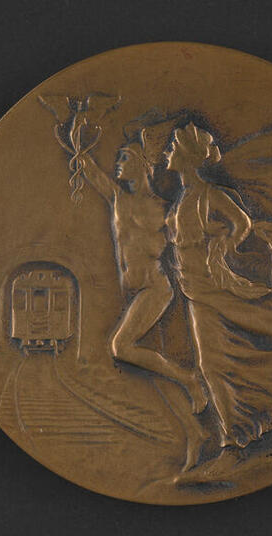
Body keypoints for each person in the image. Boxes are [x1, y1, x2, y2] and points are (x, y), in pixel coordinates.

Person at [165, 122, 272, 453]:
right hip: (194, 291)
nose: (167, 153)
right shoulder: (183, 199)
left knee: (219, 359)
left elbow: (242, 222)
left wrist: (224, 247)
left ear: (188, 158)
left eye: (173, 148)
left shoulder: (209, 195)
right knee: (215, 361)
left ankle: (236, 436)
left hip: (213, 287)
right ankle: (245, 428)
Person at [78, 125, 207, 413]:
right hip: (132, 290)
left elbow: (189, 240)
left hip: (155, 288)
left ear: (142, 165)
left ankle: (189, 380)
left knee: (120, 347)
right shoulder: (118, 199)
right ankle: (179, 385)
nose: (118, 163)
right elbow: (90, 170)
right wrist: (78, 132)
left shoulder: (166, 209)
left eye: (125, 158)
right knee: (127, 349)